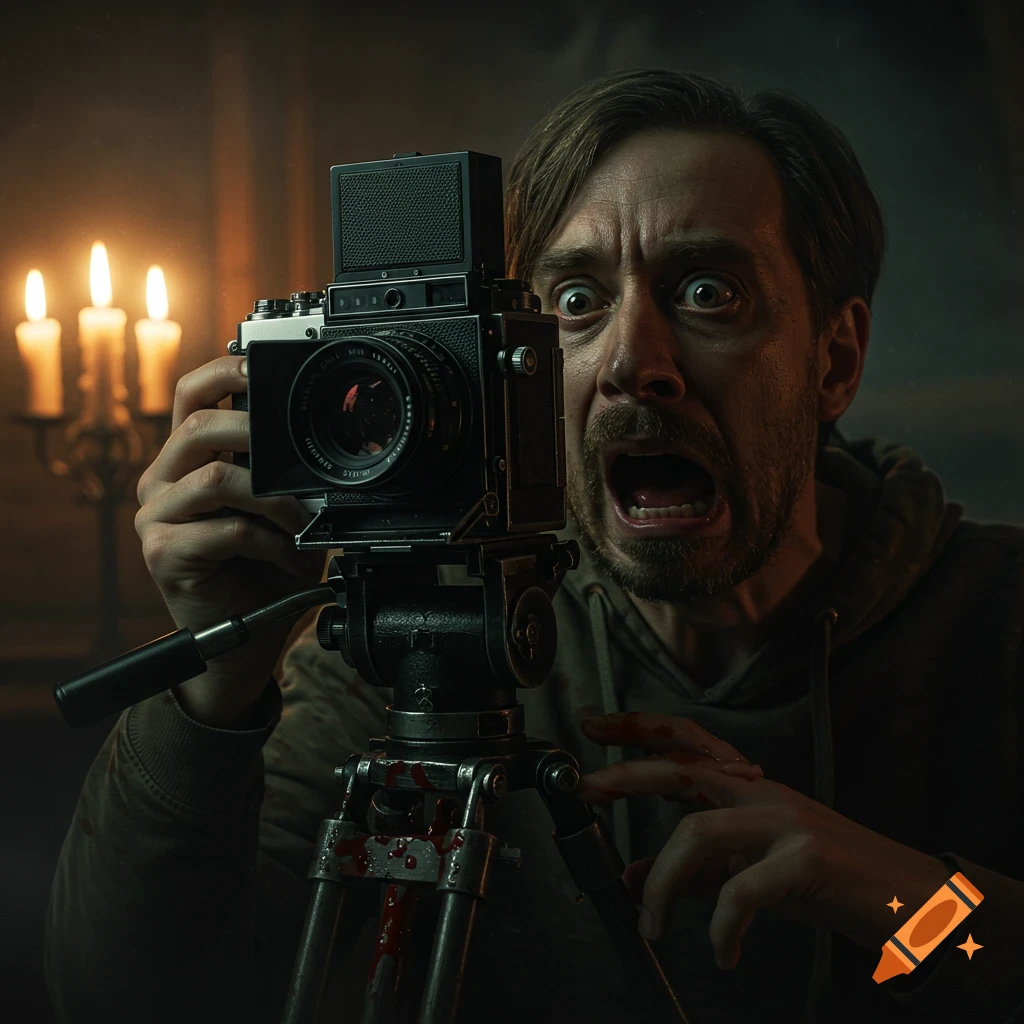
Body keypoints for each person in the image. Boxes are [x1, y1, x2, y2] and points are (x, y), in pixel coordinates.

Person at [44, 69, 1024, 1024]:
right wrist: (214, 685)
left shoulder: (996, 620)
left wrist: (922, 907)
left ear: (834, 359)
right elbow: (129, 999)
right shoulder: (436, 649)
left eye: (709, 291)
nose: (635, 362)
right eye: (574, 303)